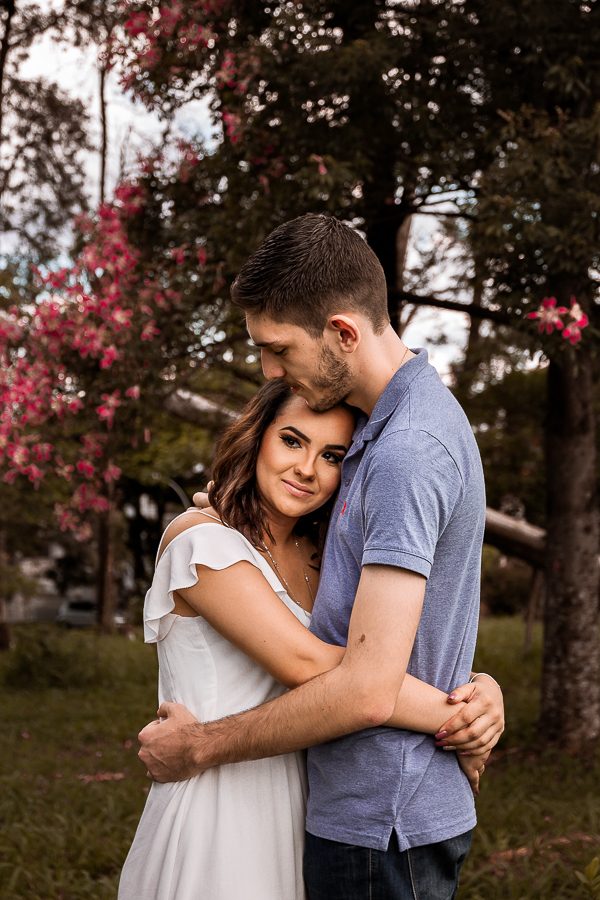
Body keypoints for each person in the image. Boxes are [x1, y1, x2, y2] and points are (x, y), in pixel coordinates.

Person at [138, 214, 505, 900]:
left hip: (380, 816)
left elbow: (364, 684)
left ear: (341, 331)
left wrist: (200, 747)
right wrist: (467, 697)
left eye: (277, 348)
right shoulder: (386, 433)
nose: (269, 370)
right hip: (335, 808)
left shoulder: (403, 451)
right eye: (292, 442)